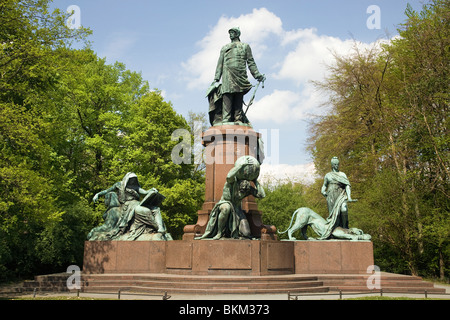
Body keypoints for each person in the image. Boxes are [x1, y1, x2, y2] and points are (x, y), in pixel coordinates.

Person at [197, 156, 265, 239]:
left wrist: (255, 181)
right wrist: (240, 166)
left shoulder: (247, 188)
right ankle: (219, 233)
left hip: (237, 209)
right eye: (242, 189)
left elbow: (262, 195)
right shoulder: (232, 182)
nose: (243, 191)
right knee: (226, 208)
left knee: (247, 233)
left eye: (244, 190)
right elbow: (229, 176)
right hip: (225, 203)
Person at [210, 27, 266, 125]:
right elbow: (220, 64)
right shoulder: (225, 47)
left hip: (240, 75)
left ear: (237, 34)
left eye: (232, 33)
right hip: (227, 74)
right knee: (227, 94)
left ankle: (238, 118)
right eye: (230, 33)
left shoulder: (245, 46)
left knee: (238, 95)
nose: (230, 35)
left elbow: (251, 63)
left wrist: (257, 75)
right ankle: (226, 119)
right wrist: (216, 78)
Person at [90, 172, 168, 240]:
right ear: (127, 179)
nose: (133, 181)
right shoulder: (119, 184)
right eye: (131, 179)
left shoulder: (136, 187)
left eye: (134, 179)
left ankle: (160, 228)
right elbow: (108, 190)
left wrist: (152, 190)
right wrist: (98, 194)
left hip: (137, 203)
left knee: (156, 208)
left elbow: (145, 192)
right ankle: (156, 227)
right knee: (141, 210)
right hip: (128, 206)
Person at [321, 157, 353, 229]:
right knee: (335, 215)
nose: (337, 166)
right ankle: (334, 229)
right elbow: (324, 185)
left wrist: (349, 196)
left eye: (338, 164)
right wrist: (322, 191)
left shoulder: (342, 174)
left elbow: (347, 185)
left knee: (344, 209)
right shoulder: (328, 175)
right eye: (335, 164)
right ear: (332, 165)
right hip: (331, 196)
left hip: (341, 195)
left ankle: (345, 227)